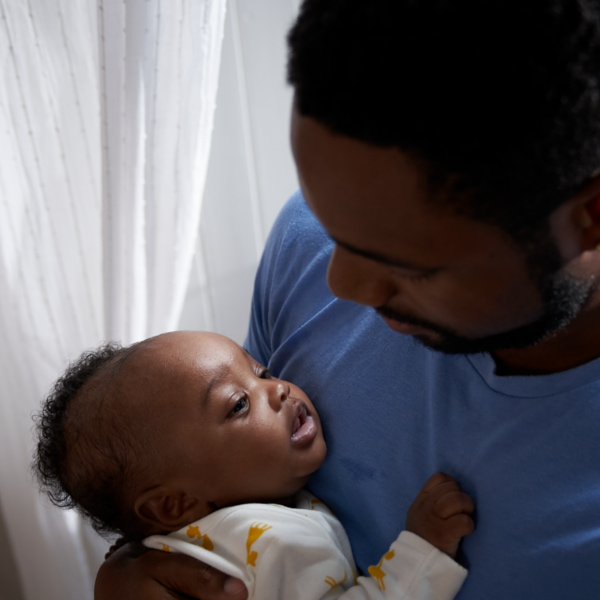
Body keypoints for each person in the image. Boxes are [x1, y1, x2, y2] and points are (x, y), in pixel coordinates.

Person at [95, 0, 600, 598]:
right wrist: (127, 569)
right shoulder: (303, 242)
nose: (342, 286)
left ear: (588, 217)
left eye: (405, 265)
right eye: (332, 229)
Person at [35, 331, 474, 600]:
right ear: (174, 505)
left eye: (259, 370)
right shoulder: (270, 548)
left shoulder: (191, 542)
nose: (278, 389)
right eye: (239, 404)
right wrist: (424, 548)